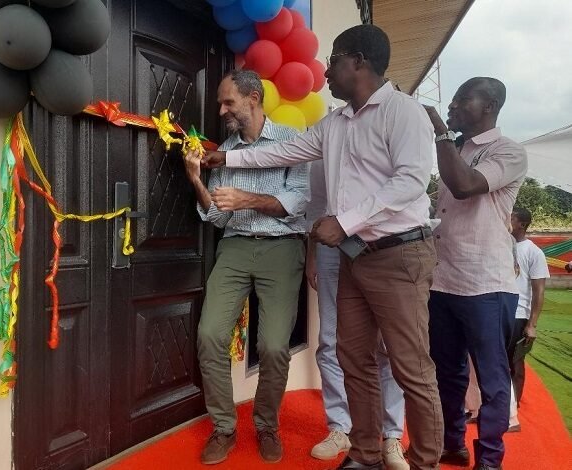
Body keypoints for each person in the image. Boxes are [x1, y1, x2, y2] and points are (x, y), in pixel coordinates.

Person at [199, 24, 443, 470]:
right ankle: (366, 454)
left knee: (410, 367)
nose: (325, 70)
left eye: (333, 59)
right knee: (354, 358)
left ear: (358, 62)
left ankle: (425, 461)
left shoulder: (404, 112)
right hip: (354, 257)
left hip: (399, 253)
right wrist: (227, 158)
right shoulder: (334, 122)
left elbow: (410, 182)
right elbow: (281, 154)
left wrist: (343, 221)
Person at [184, 69, 310, 465]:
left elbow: (300, 200)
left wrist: (246, 199)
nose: (221, 110)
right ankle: (223, 428)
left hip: (282, 248)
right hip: (235, 246)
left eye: (228, 102)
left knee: (273, 346)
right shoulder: (224, 149)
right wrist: (196, 181)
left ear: (253, 99)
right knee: (209, 336)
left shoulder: (293, 141)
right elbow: (218, 217)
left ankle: (266, 425)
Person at [424, 77, 528, 470]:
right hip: (444, 280)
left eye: (462, 99)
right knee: (447, 373)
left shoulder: (509, 151)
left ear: (490, 106)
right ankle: (453, 443)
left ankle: (489, 460)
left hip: (487, 285)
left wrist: (438, 132)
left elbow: (465, 186)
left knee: (491, 378)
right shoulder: (459, 148)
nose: (451, 105)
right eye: (451, 100)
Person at [306, 160, 409, 470]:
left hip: (380, 246)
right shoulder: (327, 137)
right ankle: (340, 428)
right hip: (330, 249)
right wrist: (312, 255)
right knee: (330, 342)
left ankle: (391, 436)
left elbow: (404, 191)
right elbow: (316, 204)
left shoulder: (389, 131)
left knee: (387, 347)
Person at [509, 207, 549, 405]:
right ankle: (498, 404)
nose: (507, 220)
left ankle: (514, 406)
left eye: (512, 218)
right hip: (499, 310)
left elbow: (539, 291)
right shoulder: (502, 246)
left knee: (515, 361)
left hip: (519, 313)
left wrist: (532, 324)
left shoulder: (534, 252)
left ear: (522, 224)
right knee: (496, 360)